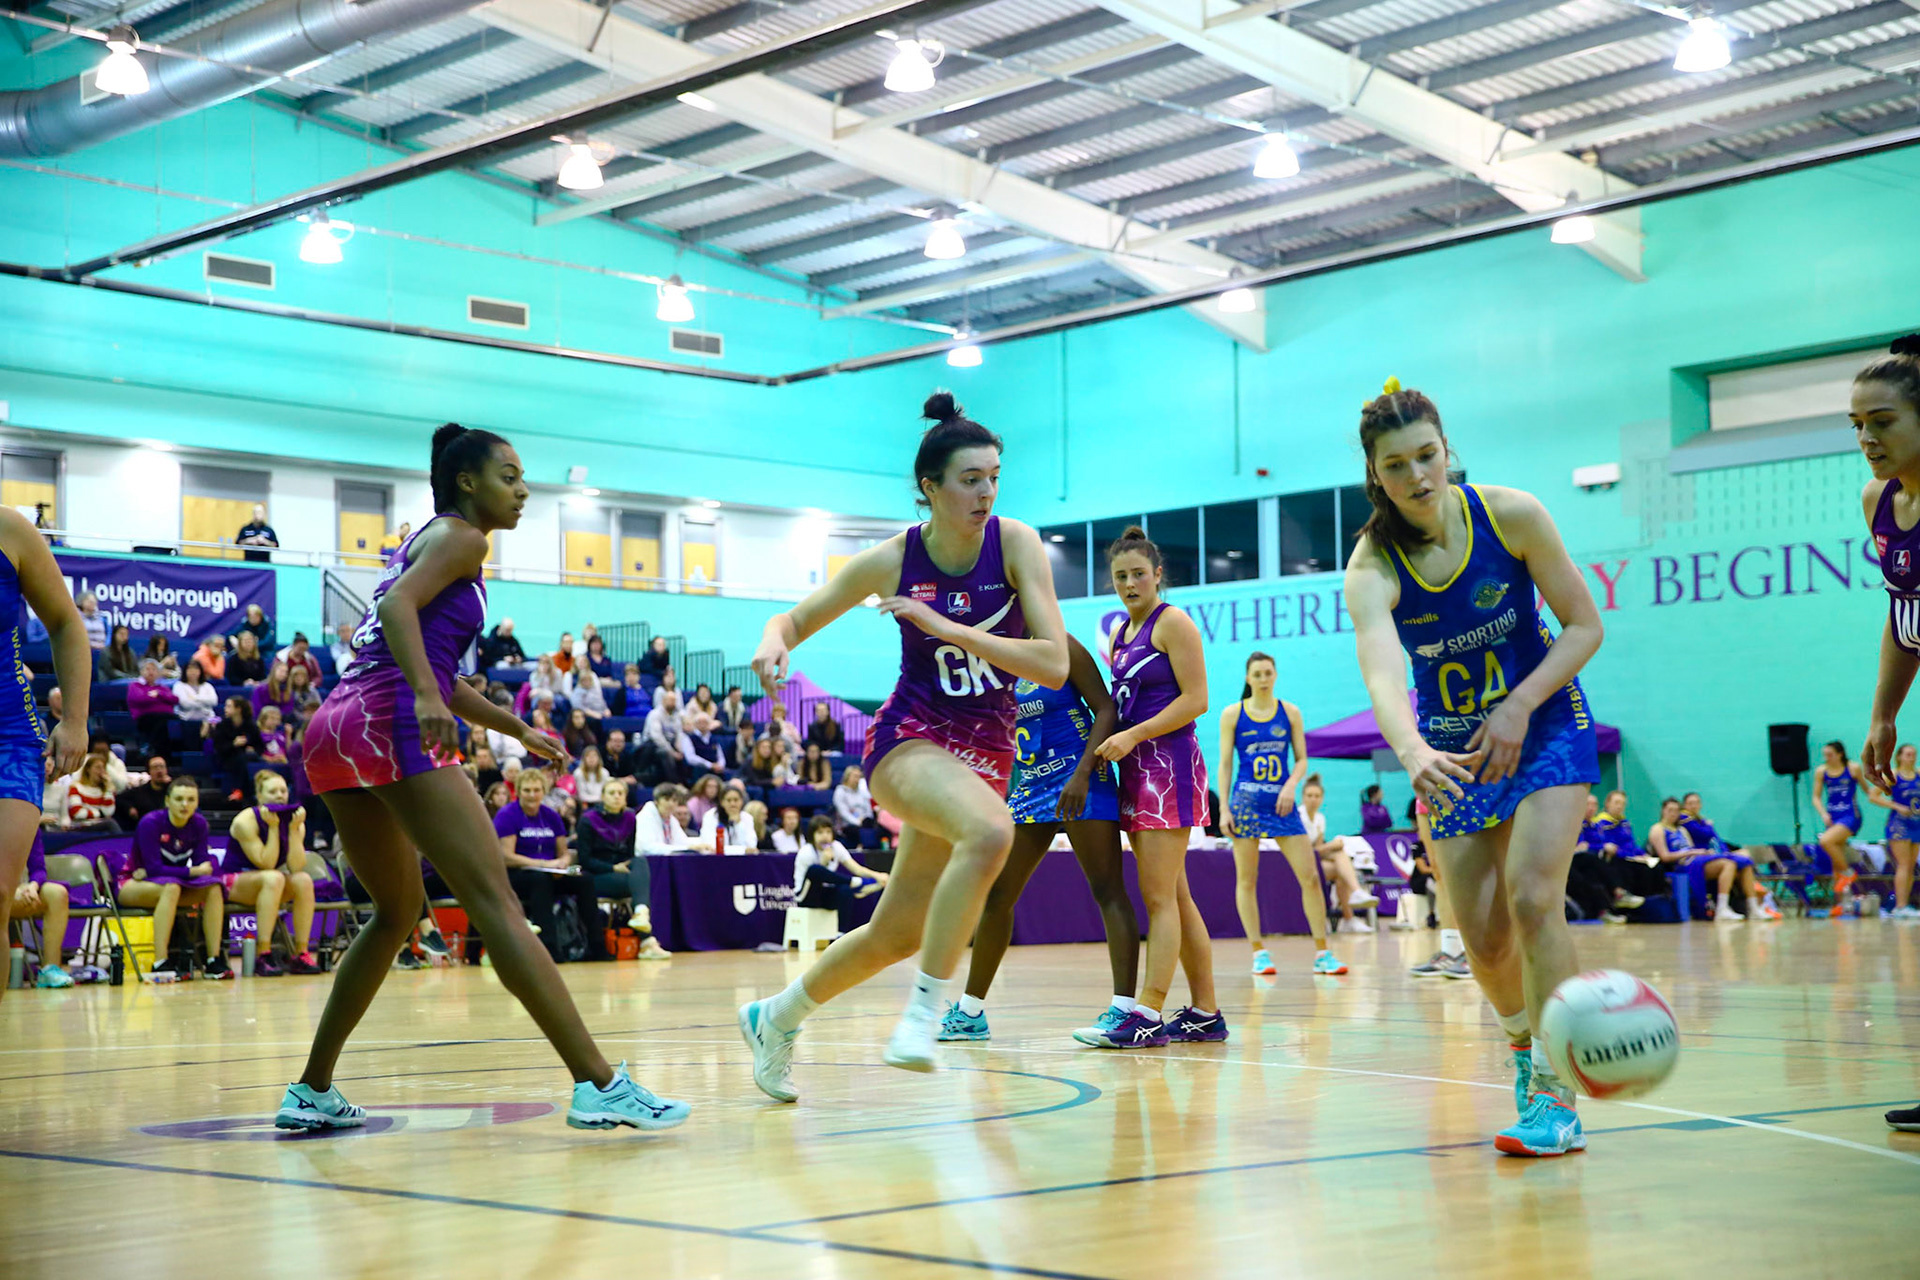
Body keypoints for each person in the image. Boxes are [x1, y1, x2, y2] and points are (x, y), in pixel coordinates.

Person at [283, 423, 684, 1132]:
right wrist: (427, 699)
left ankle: (312, 1090)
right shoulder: (465, 539)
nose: (523, 489)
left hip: (335, 726)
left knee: (396, 913)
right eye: (510, 476)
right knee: (497, 905)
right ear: (467, 482)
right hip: (387, 721)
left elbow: (435, 665)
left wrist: (516, 728)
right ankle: (599, 1084)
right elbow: (399, 618)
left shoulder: (426, 541)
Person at [738, 392, 1068, 1099]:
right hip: (909, 741)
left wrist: (949, 629)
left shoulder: (1016, 544)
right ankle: (923, 1018)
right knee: (991, 833)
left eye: (993, 478)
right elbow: (792, 621)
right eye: (970, 480)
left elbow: (1053, 663)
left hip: (987, 755)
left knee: (897, 933)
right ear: (931, 487)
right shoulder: (893, 560)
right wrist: (771, 641)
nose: (986, 493)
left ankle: (775, 1017)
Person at [1343, 378, 1604, 1158]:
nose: (1417, 476)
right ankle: (1524, 1048)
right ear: (1375, 474)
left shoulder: (1512, 514)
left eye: (1427, 455)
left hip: (1544, 721)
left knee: (1533, 898)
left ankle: (1556, 1092)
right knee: (1484, 942)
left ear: (1447, 449)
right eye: (1396, 465)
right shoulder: (1371, 565)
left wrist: (1521, 704)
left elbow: (1584, 626)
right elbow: (1383, 676)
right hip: (1454, 751)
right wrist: (1413, 750)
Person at [942, 634, 1139, 1043]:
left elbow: (1106, 709)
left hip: (1081, 777)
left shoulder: (1060, 645)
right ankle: (971, 1014)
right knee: (997, 895)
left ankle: (1123, 1011)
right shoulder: (995, 657)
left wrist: (1083, 774)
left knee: (1107, 889)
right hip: (1031, 784)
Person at [1073, 527, 1222, 1048]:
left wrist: (1133, 735)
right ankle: (1206, 1013)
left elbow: (1197, 699)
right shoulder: (1121, 631)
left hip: (1169, 768)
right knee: (1175, 896)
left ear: (1158, 575)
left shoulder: (1173, 622)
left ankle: (1149, 1014)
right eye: (1121, 576)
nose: (1130, 583)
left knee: (1158, 898)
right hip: (1137, 772)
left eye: (1139, 573)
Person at [1849, 332, 1920, 1132]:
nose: (1867, 438)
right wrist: (1883, 713)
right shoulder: (1878, 502)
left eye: (1883, 421)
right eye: (1857, 424)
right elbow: (1905, 618)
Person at [1217, 651, 1343, 978]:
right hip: (1246, 804)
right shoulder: (1232, 714)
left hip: (1282, 805)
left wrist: (1290, 786)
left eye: (1267, 673)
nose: (1263, 679)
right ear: (1248, 678)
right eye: (1257, 674)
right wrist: (1224, 808)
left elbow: (1301, 759)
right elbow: (1226, 764)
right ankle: (1258, 953)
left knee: (1310, 877)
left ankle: (1323, 953)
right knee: (1247, 880)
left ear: (1275, 675)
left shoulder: (1290, 712)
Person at [119, 776, 230, 980]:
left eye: (190, 799)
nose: (184, 804)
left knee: (213, 888)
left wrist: (200, 870)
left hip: (171, 885)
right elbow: (154, 869)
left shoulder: (199, 824)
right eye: (179, 799)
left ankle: (213, 960)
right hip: (132, 883)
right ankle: (160, 963)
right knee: (171, 887)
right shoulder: (151, 823)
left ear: (197, 803)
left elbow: (204, 864)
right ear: (167, 801)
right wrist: (192, 872)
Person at [496, 770, 608, 965]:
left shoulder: (551, 816)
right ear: (518, 792)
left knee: (584, 877)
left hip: (553, 870)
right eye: (527, 790)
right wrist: (543, 864)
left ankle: (597, 947)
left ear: (544, 791)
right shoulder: (507, 815)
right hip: (519, 873)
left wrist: (564, 862)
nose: (532, 795)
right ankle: (549, 949)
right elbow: (506, 857)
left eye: (537, 790)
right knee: (540, 880)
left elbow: (564, 853)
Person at [228, 770, 322, 975]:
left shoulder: (294, 821)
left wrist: (294, 830)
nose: (280, 795)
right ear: (259, 796)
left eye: (283, 791)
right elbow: (267, 863)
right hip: (234, 881)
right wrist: (273, 828)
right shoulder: (245, 821)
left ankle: (301, 953)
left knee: (303, 880)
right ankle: (263, 953)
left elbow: (296, 867)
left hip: (269, 883)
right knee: (274, 877)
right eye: (272, 792)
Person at [572, 779, 669, 959]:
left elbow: (629, 854)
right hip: (597, 875)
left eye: (620, 793)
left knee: (640, 862)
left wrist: (623, 867)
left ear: (625, 798)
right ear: (602, 797)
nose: (616, 797)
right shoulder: (588, 820)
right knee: (640, 885)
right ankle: (647, 942)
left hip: (622, 874)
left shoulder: (630, 818)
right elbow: (585, 860)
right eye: (612, 793)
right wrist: (612, 867)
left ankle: (641, 913)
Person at [1647, 797, 1761, 920]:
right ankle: (1722, 908)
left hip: (1695, 859)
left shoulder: (1682, 830)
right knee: (1728, 864)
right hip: (1682, 865)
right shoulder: (1657, 829)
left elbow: (1691, 848)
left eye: (1676, 810)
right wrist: (1689, 853)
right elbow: (1664, 856)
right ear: (1663, 811)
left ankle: (1753, 908)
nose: (1673, 813)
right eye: (1670, 810)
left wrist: (1702, 853)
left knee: (1745, 864)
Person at [13, 831, 74, 987]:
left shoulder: (29, 825)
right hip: (6, 889)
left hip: (20, 890)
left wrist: (32, 886)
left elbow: (39, 869)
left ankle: (50, 970)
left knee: (57, 893)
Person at [1868, 743, 1920, 918]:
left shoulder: (1918, 774)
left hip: (1916, 823)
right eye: (1908, 754)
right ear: (1899, 757)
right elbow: (1873, 796)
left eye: (1914, 754)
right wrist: (1896, 806)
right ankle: (1900, 906)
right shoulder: (1894, 775)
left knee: (1911, 866)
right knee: (1903, 864)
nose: (1911, 757)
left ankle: (1904, 904)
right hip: (1899, 824)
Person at [1813, 740, 1865, 914]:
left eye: (1830, 754)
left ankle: (1849, 873)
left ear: (1840, 754)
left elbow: (1867, 789)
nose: (1826, 758)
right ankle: (1841, 904)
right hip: (1832, 816)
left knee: (1826, 841)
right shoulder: (1821, 771)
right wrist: (1823, 813)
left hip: (1850, 814)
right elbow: (1816, 797)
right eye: (1825, 755)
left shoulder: (1853, 768)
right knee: (1836, 860)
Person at [794, 814, 886, 908]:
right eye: (820, 833)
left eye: (828, 832)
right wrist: (823, 863)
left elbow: (856, 869)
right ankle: (857, 882)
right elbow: (815, 878)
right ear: (812, 835)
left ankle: (857, 884)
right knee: (815, 869)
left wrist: (877, 875)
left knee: (845, 890)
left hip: (825, 892)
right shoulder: (806, 851)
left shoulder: (836, 846)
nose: (825, 836)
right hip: (805, 895)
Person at [126, 659, 179, 762]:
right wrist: (161, 699)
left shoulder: (162, 688)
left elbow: (174, 699)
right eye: (148, 669)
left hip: (165, 717)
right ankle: (159, 753)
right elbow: (140, 699)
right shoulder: (135, 686)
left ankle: (153, 749)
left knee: (168, 721)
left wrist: (159, 694)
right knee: (162, 722)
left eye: (154, 669)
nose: (151, 672)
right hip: (145, 718)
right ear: (141, 671)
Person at [211, 696, 259, 800]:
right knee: (241, 760)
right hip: (228, 757)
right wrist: (233, 744)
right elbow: (218, 748)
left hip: (247, 757)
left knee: (246, 759)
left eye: (229, 706)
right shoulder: (222, 725)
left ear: (238, 709)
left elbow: (259, 745)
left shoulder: (251, 725)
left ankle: (244, 791)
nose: (225, 709)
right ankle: (243, 791)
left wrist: (252, 748)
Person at [643, 690, 693, 785]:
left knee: (686, 752)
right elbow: (657, 737)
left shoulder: (676, 716)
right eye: (669, 700)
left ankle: (686, 783)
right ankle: (674, 783)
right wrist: (672, 752)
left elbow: (679, 734)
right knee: (665, 753)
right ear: (663, 701)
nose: (672, 703)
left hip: (670, 744)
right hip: (651, 746)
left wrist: (680, 751)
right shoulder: (655, 714)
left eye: (674, 700)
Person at [696, 783, 757, 855]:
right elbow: (712, 847)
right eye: (728, 800)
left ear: (741, 801)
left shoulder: (747, 817)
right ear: (722, 802)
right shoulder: (710, 816)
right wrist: (742, 850)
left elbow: (751, 846)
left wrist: (738, 824)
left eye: (736, 800)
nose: (732, 804)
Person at [117, 755, 173, 832]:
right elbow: (119, 799)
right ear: (149, 772)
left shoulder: (173, 790)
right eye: (155, 767)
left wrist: (171, 783)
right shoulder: (139, 792)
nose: (159, 771)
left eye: (162, 767)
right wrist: (129, 808)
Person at [63, 751, 117, 831]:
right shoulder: (76, 787)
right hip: (80, 826)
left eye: (103, 768)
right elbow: (77, 813)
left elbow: (108, 812)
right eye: (98, 767)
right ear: (88, 769)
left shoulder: (105, 791)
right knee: (110, 824)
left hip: (99, 825)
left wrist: (108, 788)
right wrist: (98, 813)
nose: (101, 771)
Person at [636, 782, 692, 854]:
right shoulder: (645, 818)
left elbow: (682, 842)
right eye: (666, 799)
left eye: (674, 800)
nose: (671, 804)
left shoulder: (671, 819)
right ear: (657, 801)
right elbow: (647, 847)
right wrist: (687, 848)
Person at [173, 658, 219, 737]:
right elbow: (185, 704)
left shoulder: (207, 686)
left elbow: (214, 701)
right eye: (190, 669)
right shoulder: (179, 686)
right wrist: (204, 702)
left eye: (196, 669)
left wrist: (195, 698)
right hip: (187, 720)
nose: (193, 672)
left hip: (207, 718)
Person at [833, 764, 873, 839]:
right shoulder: (840, 791)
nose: (857, 780)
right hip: (847, 825)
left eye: (859, 777)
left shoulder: (862, 792)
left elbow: (868, 809)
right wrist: (858, 822)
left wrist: (866, 819)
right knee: (856, 831)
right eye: (855, 776)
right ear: (847, 777)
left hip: (864, 821)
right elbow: (843, 813)